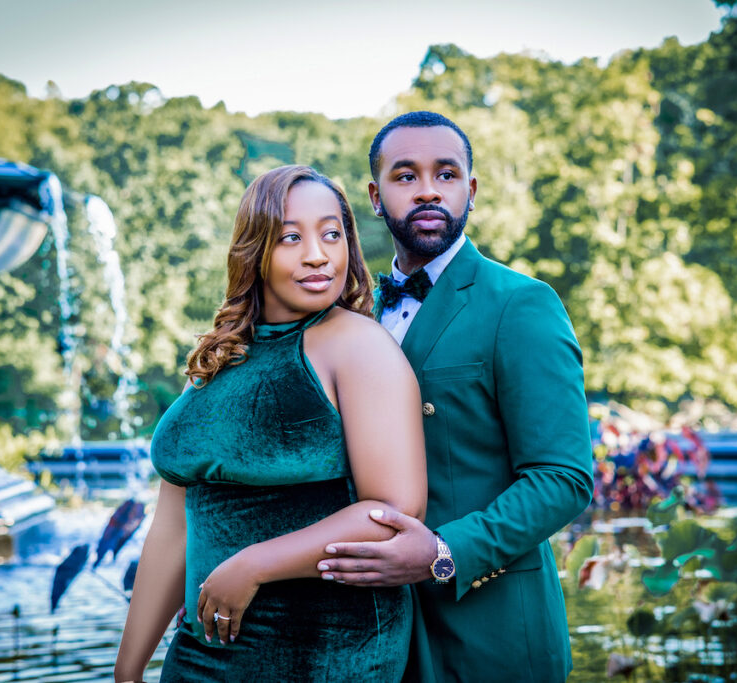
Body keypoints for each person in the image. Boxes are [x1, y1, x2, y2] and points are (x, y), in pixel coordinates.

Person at [114, 165, 428, 682]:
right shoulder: (222, 357)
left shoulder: (357, 344)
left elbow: (393, 513)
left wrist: (254, 564)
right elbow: (173, 528)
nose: (317, 254)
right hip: (201, 653)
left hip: (323, 650)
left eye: (332, 234)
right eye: (290, 237)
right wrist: (128, 671)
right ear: (253, 249)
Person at [317, 112, 594, 683]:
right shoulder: (350, 317)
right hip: (372, 635)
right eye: (405, 175)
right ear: (375, 195)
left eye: (446, 174)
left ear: (471, 189)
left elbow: (563, 478)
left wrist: (444, 552)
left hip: (490, 633)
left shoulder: (521, 304)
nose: (427, 189)